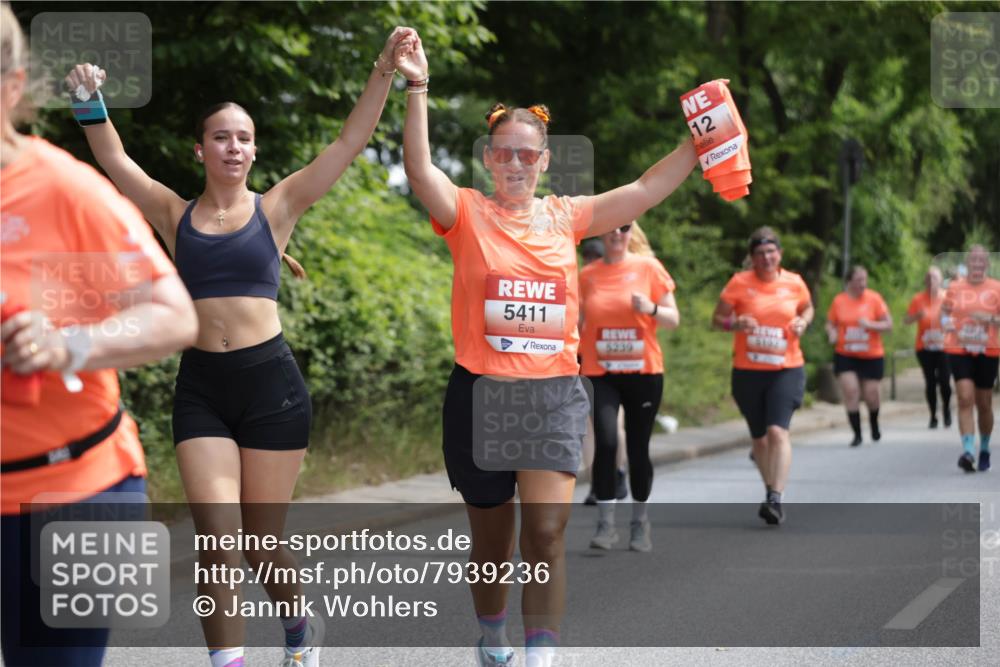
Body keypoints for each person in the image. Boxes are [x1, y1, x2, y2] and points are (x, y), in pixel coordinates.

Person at [65, 26, 414, 667]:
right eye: (222, 136)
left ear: (254, 152)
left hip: (271, 389)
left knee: (260, 543)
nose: (234, 146)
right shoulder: (173, 214)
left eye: (244, 137)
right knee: (217, 543)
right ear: (200, 150)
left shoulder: (278, 207)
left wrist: (384, 68)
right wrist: (90, 101)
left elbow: (349, 141)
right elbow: (116, 164)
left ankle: (298, 624)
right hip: (202, 390)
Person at [397, 33, 698, 667]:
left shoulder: (568, 216)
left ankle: (541, 655)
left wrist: (699, 144)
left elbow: (643, 191)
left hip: (553, 392)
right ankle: (492, 635)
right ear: (488, 159)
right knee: (491, 539)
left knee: (547, 532)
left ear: (543, 163)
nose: (514, 163)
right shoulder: (467, 213)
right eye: (503, 153)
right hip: (481, 393)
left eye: (526, 155)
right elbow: (420, 169)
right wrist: (417, 87)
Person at [0, 5, 198, 665]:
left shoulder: (64, 193)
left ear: (12, 85)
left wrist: (67, 345)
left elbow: (173, 315)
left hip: (80, 491)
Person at [580, 221, 678, 550]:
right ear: (602, 233)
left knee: (638, 449)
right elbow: (575, 324)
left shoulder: (648, 268)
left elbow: (673, 318)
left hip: (643, 372)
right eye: (611, 227)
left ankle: (640, 522)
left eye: (623, 228)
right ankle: (606, 525)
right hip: (599, 372)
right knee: (606, 443)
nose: (616, 233)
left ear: (630, 233)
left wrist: (650, 308)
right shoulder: (588, 275)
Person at [712, 227, 813, 525]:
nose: (766, 258)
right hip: (748, 372)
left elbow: (808, 309)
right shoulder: (739, 283)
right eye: (759, 253)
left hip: (787, 368)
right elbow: (716, 319)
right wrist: (735, 323)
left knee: (777, 432)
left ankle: (775, 498)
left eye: (771, 252)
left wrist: (802, 322)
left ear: (779, 254)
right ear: (752, 258)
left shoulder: (794, 283)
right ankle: (770, 488)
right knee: (759, 439)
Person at [578, 238, 629, 507]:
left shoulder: (610, 282)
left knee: (614, 425)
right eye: (585, 258)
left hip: (617, 362)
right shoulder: (582, 281)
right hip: (586, 361)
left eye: (592, 258)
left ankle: (618, 472)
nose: (588, 263)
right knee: (588, 426)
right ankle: (597, 483)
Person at [942, 245, 999, 473]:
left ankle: (984, 448)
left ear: (987, 264)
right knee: (965, 397)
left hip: (989, 349)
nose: (977, 264)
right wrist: (950, 326)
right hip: (959, 348)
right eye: (973, 260)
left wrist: (989, 318)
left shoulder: (996, 288)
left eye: (981, 261)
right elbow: (944, 313)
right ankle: (968, 451)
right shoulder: (955, 287)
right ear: (967, 263)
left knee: (983, 403)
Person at [825, 266, 892, 447]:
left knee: (871, 395)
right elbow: (830, 324)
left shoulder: (874, 299)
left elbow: (888, 325)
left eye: (864, 279)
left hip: (871, 354)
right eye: (858, 280)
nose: (863, 284)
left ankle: (874, 424)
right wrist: (832, 333)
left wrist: (870, 325)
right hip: (846, 354)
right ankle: (857, 434)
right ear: (849, 282)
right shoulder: (839, 301)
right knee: (851, 391)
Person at [905, 266, 951, 428]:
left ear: (940, 281)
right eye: (929, 278)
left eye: (935, 278)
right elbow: (906, 320)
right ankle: (933, 416)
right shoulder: (918, 299)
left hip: (944, 346)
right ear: (925, 281)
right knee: (930, 382)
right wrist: (917, 316)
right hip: (924, 347)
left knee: (945, 381)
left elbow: (957, 320)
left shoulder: (947, 298)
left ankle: (946, 409)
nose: (932, 281)